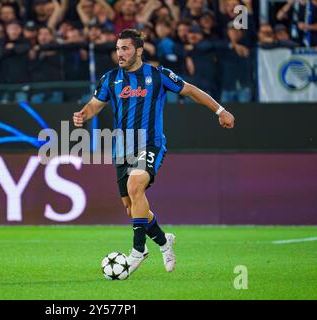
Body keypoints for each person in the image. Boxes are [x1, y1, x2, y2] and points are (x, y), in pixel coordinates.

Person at [72, 29, 234, 274]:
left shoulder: (158, 75)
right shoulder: (110, 78)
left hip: (150, 143)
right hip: (121, 148)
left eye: (125, 48)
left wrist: (220, 111)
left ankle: (137, 250)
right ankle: (163, 241)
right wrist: (83, 114)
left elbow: (190, 91)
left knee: (135, 187)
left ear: (139, 50)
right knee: (132, 207)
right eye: (117, 49)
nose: (120, 53)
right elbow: (95, 105)